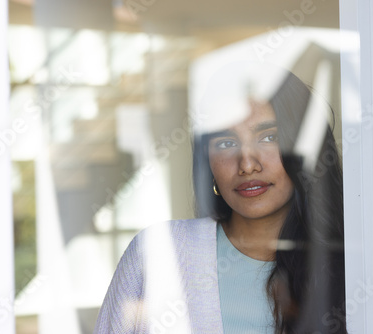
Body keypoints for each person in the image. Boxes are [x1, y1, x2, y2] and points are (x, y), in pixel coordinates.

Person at [94, 67, 347, 334]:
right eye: (226, 142)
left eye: (269, 137)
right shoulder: (160, 253)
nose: (248, 164)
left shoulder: (348, 264)